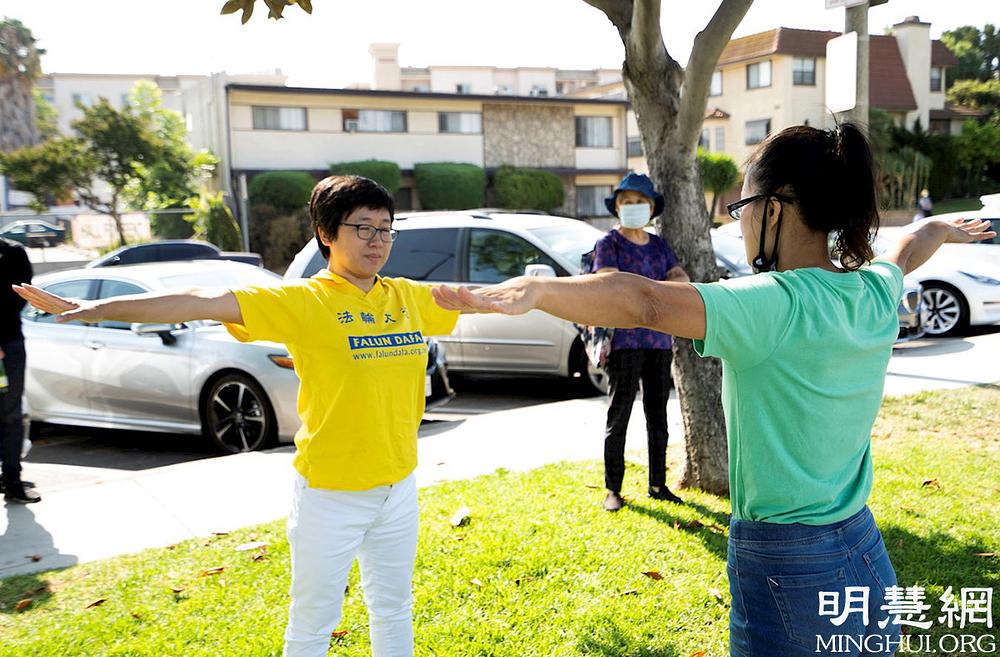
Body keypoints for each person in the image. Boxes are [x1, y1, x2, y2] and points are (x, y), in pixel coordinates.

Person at [430, 124, 995, 656]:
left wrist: (537, 291)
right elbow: (908, 247)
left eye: (743, 207)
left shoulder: (774, 302)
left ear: (774, 208)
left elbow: (645, 301)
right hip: (863, 552)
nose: (742, 222)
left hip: (787, 563)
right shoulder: (873, 289)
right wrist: (940, 229)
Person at [14, 176, 460, 657]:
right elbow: (202, 300)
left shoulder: (408, 298)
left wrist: (535, 289)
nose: (377, 241)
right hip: (332, 493)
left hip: (398, 487)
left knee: (393, 608)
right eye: (362, 228)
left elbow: (481, 297)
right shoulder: (303, 301)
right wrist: (98, 307)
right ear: (326, 234)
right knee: (314, 621)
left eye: (386, 229)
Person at [592, 173, 689, 512]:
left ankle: (657, 484)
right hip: (624, 342)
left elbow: (679, 275)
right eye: (627, 202)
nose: (633, 207)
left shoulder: (660, 245)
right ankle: (613, 489)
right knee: (618, 416)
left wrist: (672, 279)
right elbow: (607, 282)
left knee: (658, 416)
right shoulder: (609, 244)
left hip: (659, 342)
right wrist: (652, 286)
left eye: (640, 202)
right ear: (617, 208)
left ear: (651, 208)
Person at [1, 236, 39, 504]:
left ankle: (12, 479)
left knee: (12, 414)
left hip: (10, 343)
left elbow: (19, 295)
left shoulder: (13, 253)